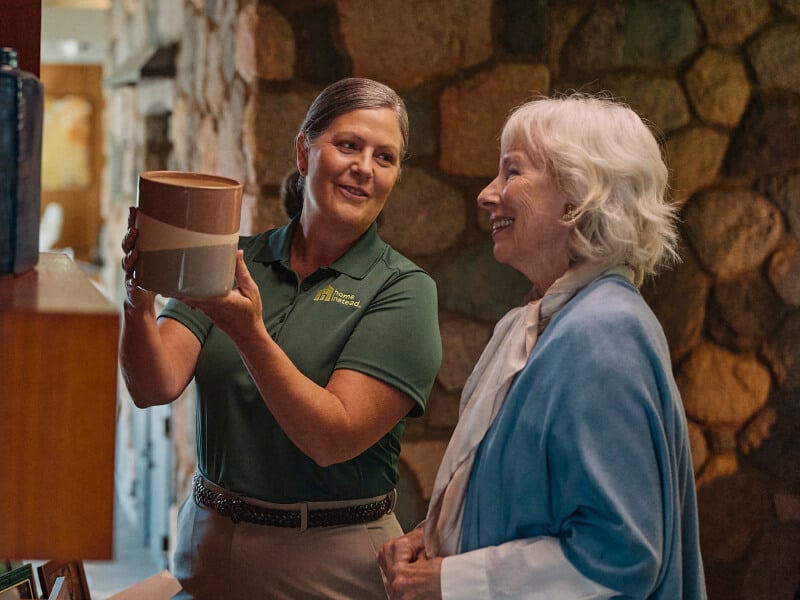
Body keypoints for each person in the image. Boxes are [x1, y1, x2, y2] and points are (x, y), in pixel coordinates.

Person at [119, 77, 442, 599]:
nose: (365, 167)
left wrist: (249, 334)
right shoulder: (234, 258)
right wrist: (138, 298)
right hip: (205, 548)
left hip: (326, 562)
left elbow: (330, 439)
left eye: (386, 157)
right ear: (304, 150)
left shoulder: (403, 290)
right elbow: (153, 385)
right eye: (349, 145)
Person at [378, 93, 707, 599]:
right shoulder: (550, 322)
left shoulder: (603, 335)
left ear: (579, 196)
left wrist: (450, 580)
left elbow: (620, 555)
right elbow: (524, 500)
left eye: (512, 172)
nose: (488, 195)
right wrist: (434, 537)